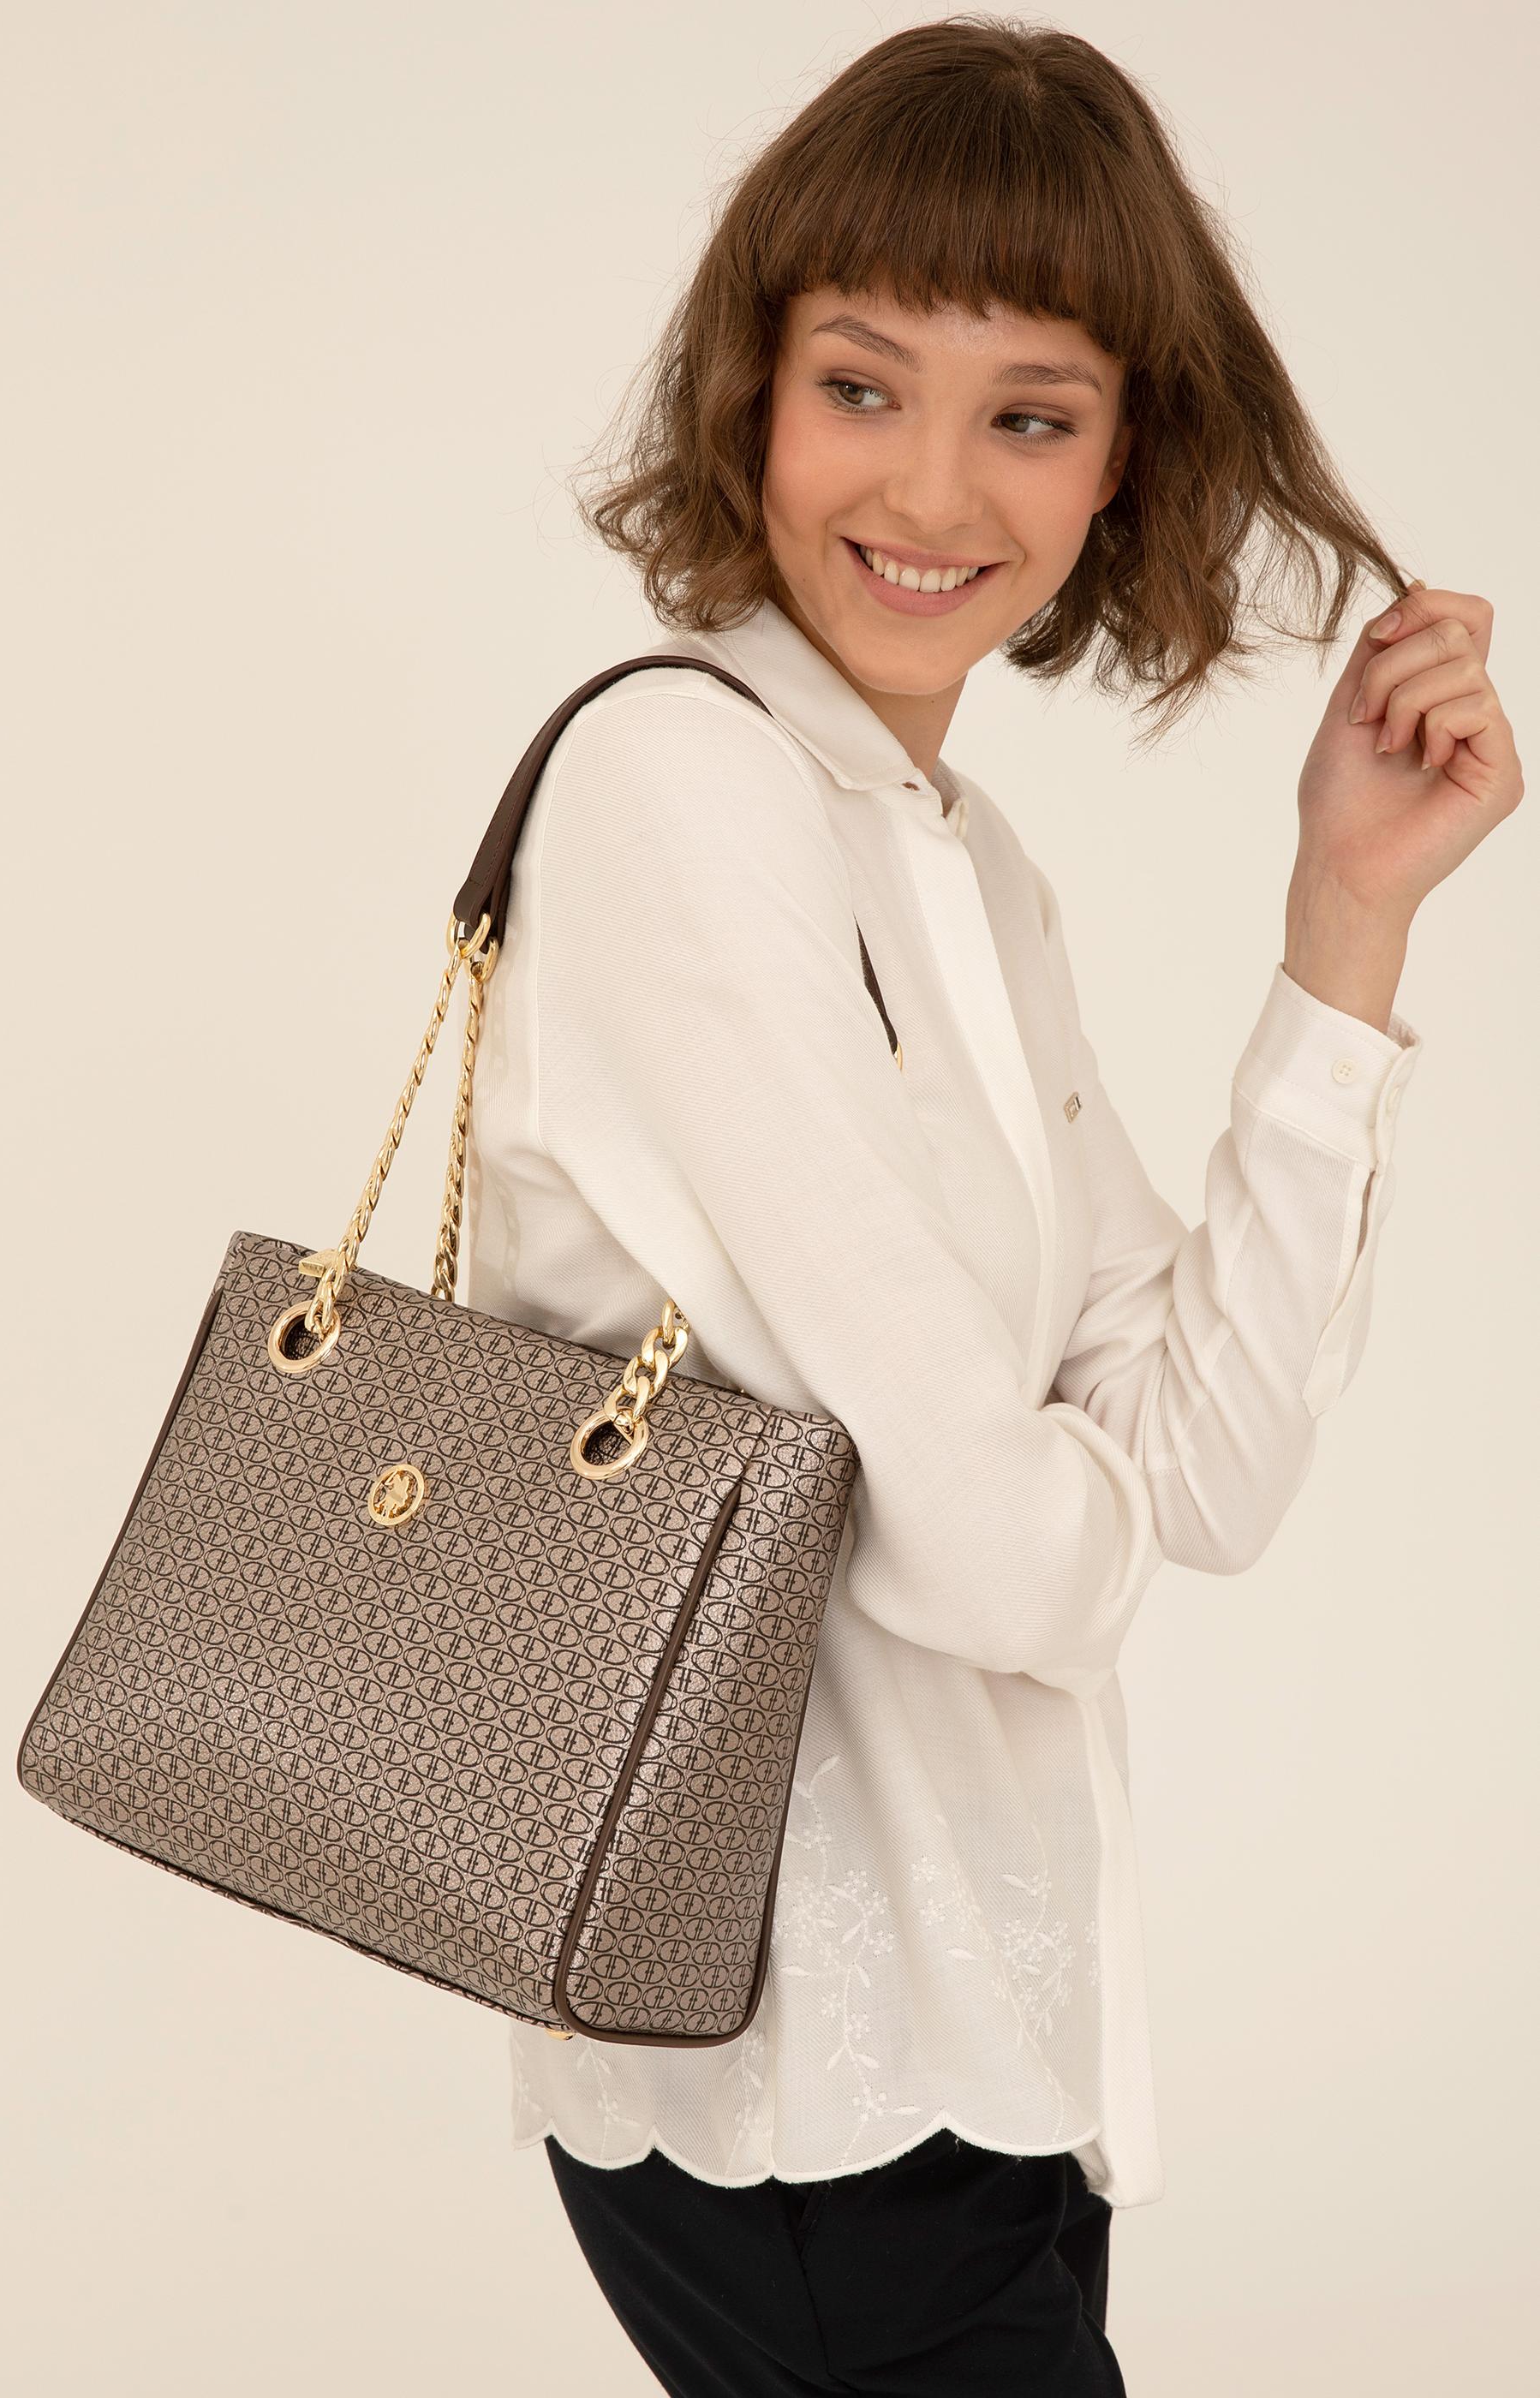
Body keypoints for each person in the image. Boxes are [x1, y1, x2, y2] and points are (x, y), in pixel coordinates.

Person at [466, 18, 1522, 2395]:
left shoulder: (963, 864)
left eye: (1029, 416)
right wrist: (1047, 1494)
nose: (931, 487)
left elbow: (1200, 1467)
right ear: (751, 391)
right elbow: (1004, 1558)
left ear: (1123, 457)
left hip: (991, 2047)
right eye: (862, 385)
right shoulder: (678, 790)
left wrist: (1344, 926)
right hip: (789, 2066)